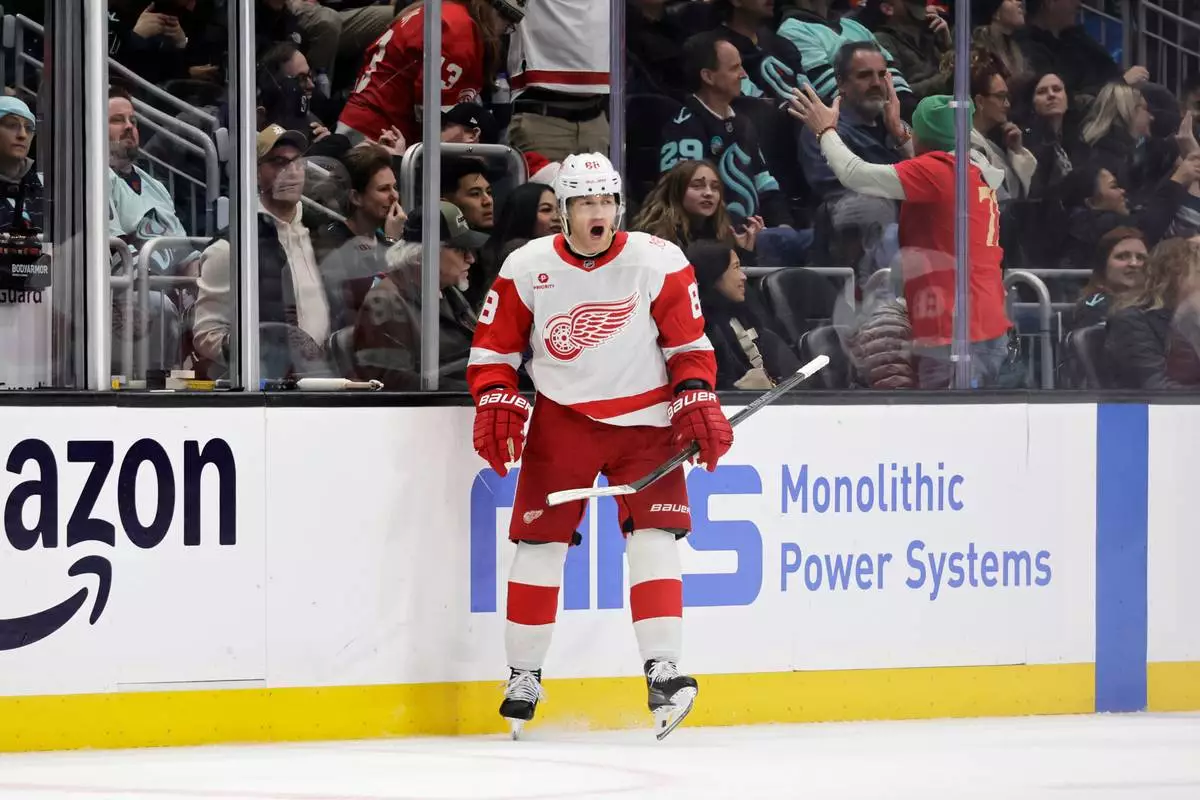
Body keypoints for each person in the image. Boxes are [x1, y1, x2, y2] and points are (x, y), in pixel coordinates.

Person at [466, 152, 733, 739]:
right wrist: (494, 395)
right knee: (538, 542)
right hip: (565, 421)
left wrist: (695, 394)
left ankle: (663, 671)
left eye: (607, 202)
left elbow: (689, 343)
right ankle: (523, 675)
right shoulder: (525, 266)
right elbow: (492, 351)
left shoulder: (658, 260)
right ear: (562, 211)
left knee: (655, 539)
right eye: (586, 203)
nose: (599, 214)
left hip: (649, 422)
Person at [789, 88, 1012, 388]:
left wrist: (825, 130)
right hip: (986, 325)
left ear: (923, 133)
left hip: (953, 332)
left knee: (943, 427)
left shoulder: (938, 173)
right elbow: (931, 169)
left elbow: (855, 174)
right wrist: (902, 135)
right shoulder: (973, 169)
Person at [336, 0, 522, 146]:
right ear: (491, 7)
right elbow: (432, 115)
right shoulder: (459, 30)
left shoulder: (444, 12)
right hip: (375, 135)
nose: (505, 32)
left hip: (366, 123)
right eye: (507, 21)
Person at [353, 202, 485, 390]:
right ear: (424, 255)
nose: (470, 258)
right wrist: (472, 390)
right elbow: (390, 383)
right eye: (459, 250)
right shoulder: (384, 301)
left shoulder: (447, 291)